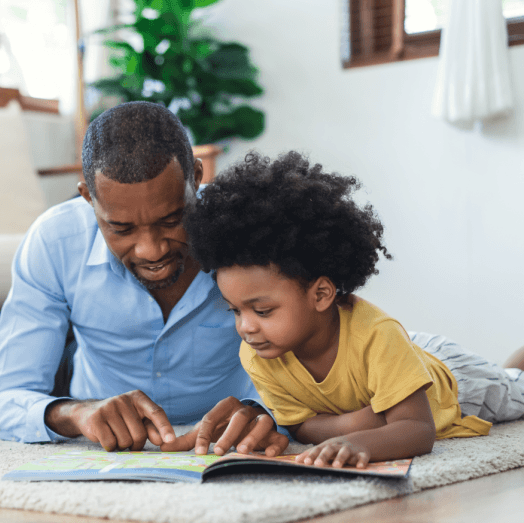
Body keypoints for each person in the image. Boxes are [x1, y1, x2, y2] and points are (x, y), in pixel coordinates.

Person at [181, 150, 524, 467]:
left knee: (515, 387)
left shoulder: (376, 335)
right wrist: (355, 424)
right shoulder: (258, 354)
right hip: (402, 358)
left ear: (321, 294)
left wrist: (364, 442)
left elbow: (419, 429)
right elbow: (299, 425)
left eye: (263, 311)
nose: (246, 327)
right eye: (235, 311)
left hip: (456, 381)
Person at [0, 101, 289, 455]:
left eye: (172, 220)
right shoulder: (54, 242)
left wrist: (264, 411)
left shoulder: (252, 235)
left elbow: (316, 357)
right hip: (99, 423)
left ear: (197, 178)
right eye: (121, 228)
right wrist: (77, 412)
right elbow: (5, 399)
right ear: (88, 199)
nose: (151, 250)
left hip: (225, 437)